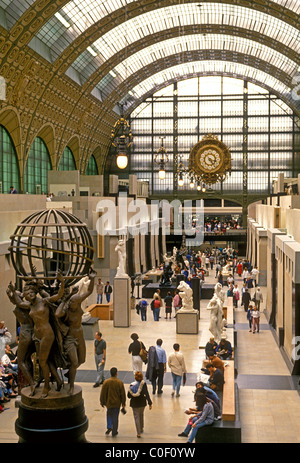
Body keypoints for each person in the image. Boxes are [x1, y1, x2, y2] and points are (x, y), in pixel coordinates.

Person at [100, 367, 126, 437]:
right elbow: (122, 394)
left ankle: (109, 426)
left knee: (109, 414)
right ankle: (114, 431)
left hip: (109, 402)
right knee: (115, 417)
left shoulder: (106, 382)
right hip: (117, 403)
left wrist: (102, 402)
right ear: (116, 373)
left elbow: (103, 393)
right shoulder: (120, 382)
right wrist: (123, 403)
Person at [127, 371, 152, 438]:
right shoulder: (143, 384)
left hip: (134, 404)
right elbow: (146, 393)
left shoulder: (132, 385)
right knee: (141, 415)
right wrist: (150, 403)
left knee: (136, 417)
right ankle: (141, 427)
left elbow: (129, 396)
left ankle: (138, 433)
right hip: (142, 403)